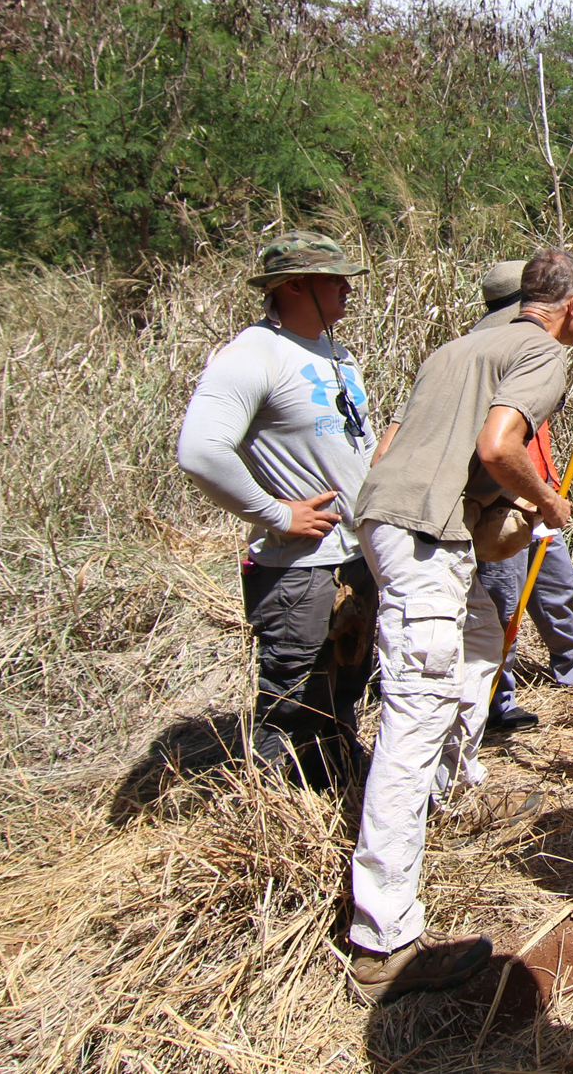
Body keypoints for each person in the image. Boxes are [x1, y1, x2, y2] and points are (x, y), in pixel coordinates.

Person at [345, 248, 573, 1002]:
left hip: (388, 521)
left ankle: (450, 787)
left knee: (483, 635)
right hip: (422, 536)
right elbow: (497, 445)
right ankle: (381, 939)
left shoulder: (456, 346)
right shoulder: (543, 350)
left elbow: (394, 446)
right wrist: (547, 502)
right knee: (414, 712)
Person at [373, 262, 573, 737]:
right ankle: (493, 702)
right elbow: (496, 445)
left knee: (552, 592)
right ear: (571, 305)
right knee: (498, 604)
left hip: (529, 493)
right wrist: (543, 496)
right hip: (492, 503)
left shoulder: (496, 353)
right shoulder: (512, 355)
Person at [177, 230, 377, 791]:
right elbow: (200, 450)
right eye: (332, 278)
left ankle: (340, 792)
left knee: (340, 692)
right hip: (299, 570)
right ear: (292, 286)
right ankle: (273, 819)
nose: (346, 288)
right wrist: (277, 514)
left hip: (353, 558)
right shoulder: (252, 355)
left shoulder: (336, 354)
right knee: (290, 703)